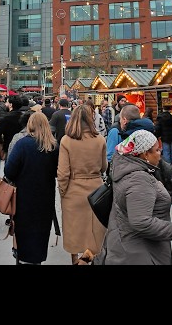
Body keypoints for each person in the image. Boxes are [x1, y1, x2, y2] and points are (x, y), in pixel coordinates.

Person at [95, 130, 172, 265]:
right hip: (138, 252)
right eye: (157, 150)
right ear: (145, 154)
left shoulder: (127, 168)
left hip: (127, 245)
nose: (160, 153)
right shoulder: (139, 179)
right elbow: (140, 221)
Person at [5, 112, 59, 265]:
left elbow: (9, 171)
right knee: (41, 232)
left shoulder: (23, 144)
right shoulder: (53, 146)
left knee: (24, 231)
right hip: (46, 196)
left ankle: (23, 258)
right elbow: (57, 171)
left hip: (24, 196)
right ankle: (37, 259)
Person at [57, 104, 108, 264]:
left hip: (73, 191)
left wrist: (63, 191)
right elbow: (103, 167)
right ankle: (88, 260)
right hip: (96, 191)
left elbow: (63, 172)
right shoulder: (99, 139)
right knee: (94, 233)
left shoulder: (66, 140)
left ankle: (76, 261)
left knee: (74, 235)